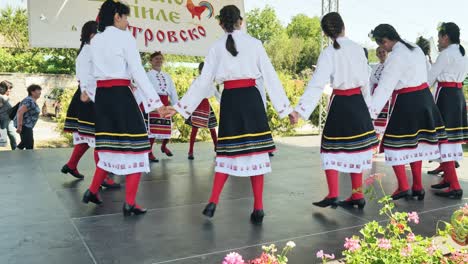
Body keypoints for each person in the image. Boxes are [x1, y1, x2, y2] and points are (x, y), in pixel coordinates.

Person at [169, 5, 293, 224]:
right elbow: (270, 77)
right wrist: (286, 109)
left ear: (220, 24)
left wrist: (180, 107)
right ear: (241, 21)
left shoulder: (216, 47)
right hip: (251, 100)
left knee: (227, 152)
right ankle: (258, 207)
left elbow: (203, 81)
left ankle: (214, 200)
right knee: (257, 152)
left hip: (231, 100)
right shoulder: (254, 44)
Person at [80, 0, 168, 216]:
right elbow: (137, 72)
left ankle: (92, 190)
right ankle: (129, 202)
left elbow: (89, 74)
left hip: (103, 97)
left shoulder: (96, 41)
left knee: (110, 146)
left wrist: (89, 92)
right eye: (126, 17)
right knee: (138, 146)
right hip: (120, 95)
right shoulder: (124, 37)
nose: (128, 22)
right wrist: (157, 104)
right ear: (117, 16)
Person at [289, 12, 378, 209]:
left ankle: (333, 193)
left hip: (340, 105)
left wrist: (299, 111)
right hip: (358, 104)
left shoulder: (329, 53)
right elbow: (366, 82)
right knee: (358, 149)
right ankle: (357, 195)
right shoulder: (358, 49)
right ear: (343, 26)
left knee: (329, 149)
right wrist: (370, 110)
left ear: (325, 33)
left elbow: (316, 84)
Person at [368, 24, 449, 201]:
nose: (383, 49)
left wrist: (370, 115)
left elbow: (385, 87)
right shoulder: (415, 48)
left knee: (391, 145)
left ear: (385, 41)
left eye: (381, 45)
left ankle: (404, 185)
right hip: (424, 99)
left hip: (407, 102)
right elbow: (428, 76)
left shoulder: (396, 56)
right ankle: (418, 186)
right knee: (417, 144)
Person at [61, 20, 120, 188]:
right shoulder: (88, 53)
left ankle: (71, 164)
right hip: (90, 99)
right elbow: (86, 81)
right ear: (91, 35)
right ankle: (103, 178)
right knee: (98, 139)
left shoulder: (91, 51)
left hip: (92, 97)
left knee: (88, 138)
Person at [427, 22, 467, 199]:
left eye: (439, 38)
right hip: (457, 95)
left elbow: (430, 78)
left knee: (445, 140)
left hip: (445, 96)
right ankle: (449, 180)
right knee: (450, 140)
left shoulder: (446, 54)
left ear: (445, 37)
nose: (438, 41)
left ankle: (455, 185)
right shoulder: (462, 54)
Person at [145, 51, 178, 161]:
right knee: (153, 129)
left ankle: (163, 146)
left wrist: (176, 105)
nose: (159, 61)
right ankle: (149, 153)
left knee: (167, 128)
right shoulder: (148, 75)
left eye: (160, 59)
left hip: (165, 102)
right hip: (154, 102)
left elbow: (172, 91)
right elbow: (144, 90)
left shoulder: (167, 76)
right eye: (156, 59)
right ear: (151, 61)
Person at [185, 62, 220, 160]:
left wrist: (224, 103)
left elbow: (217, 94)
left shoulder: (211, 82)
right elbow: (190, 93)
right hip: (197, 105)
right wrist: (187, 106)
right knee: (194, 129)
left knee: (212, 127)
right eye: (203, 70)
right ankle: (190, 151)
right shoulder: (196, 81)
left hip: (206, 105)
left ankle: (216, 147)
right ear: (200, 70)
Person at [369, 47, 390, 148]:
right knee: (375, 119)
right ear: (376, 55)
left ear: (387, 52)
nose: (382, 54)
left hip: (388, 95)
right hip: (376, 95)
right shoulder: (375, 67)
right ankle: (375, 144)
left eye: (383, 51)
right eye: (379, 53)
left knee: (388, 121)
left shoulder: (391, 65)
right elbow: (371, 82)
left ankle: (387, 144)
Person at [14, 84, 42, 150]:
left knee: (24, 142)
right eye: (38, 90)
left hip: (27, 126)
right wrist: (19, 126)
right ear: (32, 92)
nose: (40, 92)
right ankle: (29, 159)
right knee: (29, 145)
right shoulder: (29, 101)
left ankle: (15, 155)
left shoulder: (31, 100)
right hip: (24, 125)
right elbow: (20, 112)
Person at [0, 80, 17, 150]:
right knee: (2, 139)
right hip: (2, 120)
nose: (10, 91)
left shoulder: (5, 97)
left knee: (13, 136)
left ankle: (15, 150)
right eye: (9, 89)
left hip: (9, 120)